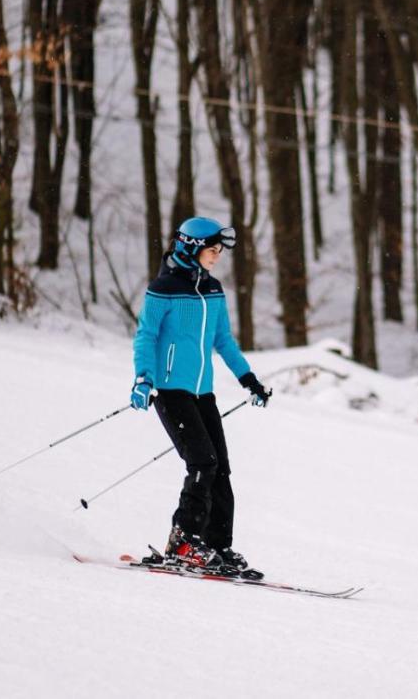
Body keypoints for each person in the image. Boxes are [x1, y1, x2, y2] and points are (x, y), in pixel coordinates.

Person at [130, 216, 271, 573]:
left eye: (220, 251)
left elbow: (223, 340)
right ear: (192, 249)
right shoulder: (163, 288)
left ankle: (216, 545)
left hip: (202, 394)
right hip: (170, 391)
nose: (217, 256)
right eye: (213, 250)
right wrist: (143, 379)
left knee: (220, 469)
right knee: (202, 463)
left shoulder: (213, 290)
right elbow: (146, 335)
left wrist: (248, 379)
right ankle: (183, 542)